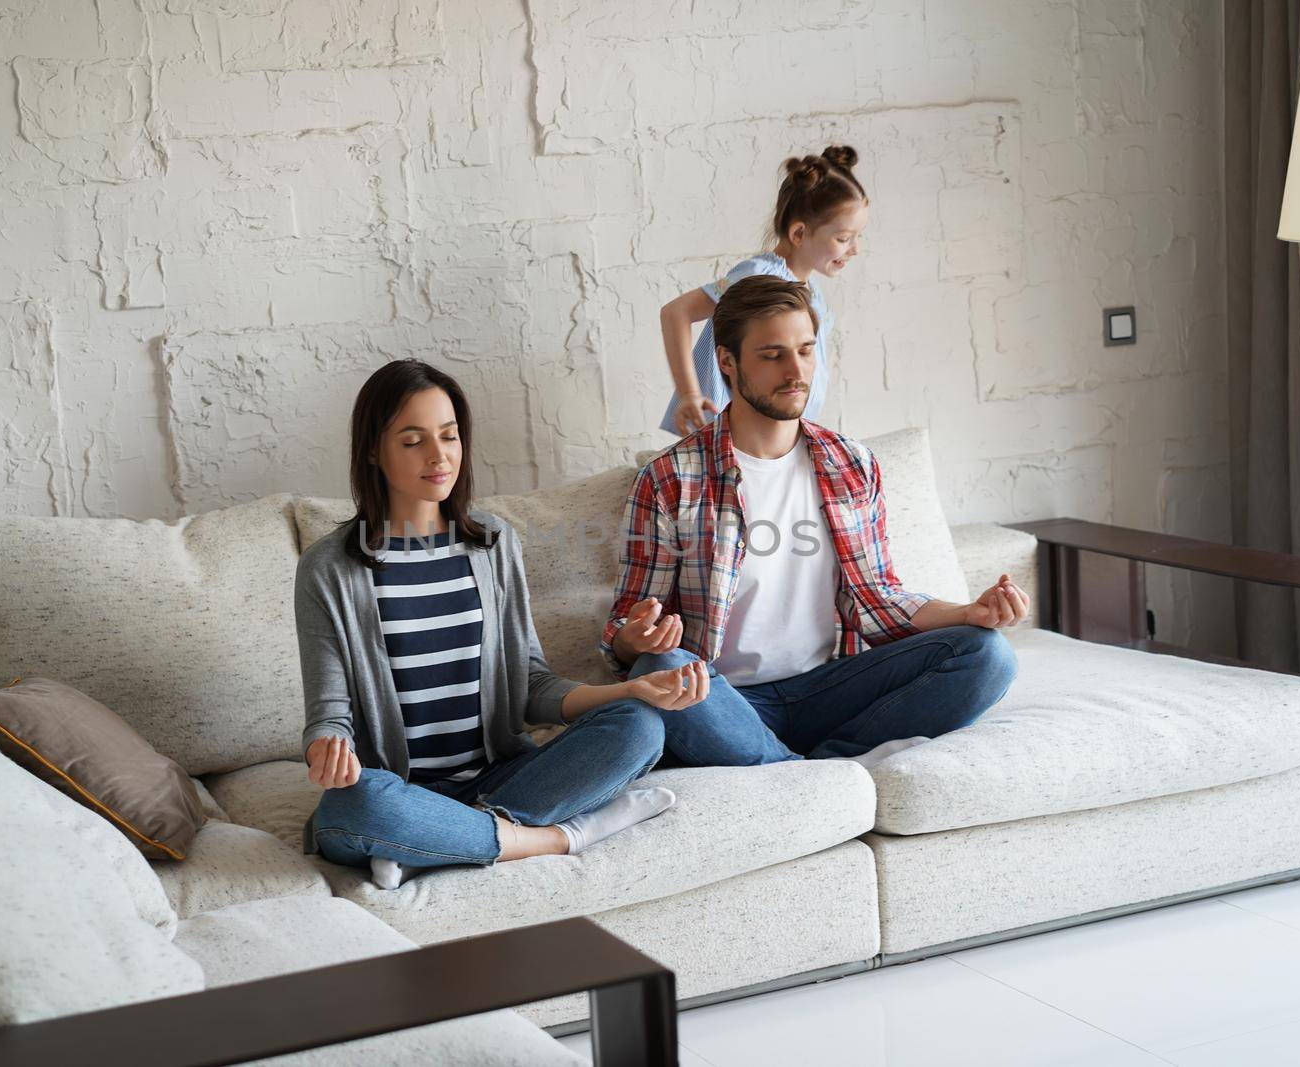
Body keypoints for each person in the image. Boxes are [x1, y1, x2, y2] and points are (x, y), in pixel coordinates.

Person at [297, 359, 704, 890]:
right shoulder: (330, 568)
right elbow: (328, 718)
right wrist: (329, 751)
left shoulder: (492, 544)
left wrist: (631, 689)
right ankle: (557, 837)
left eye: (449, 435)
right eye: (413, 440)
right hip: (400, 790)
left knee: (638, 726)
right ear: (373, 451)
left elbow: (530, 687)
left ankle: (440, 843)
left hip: (499, 778)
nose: (439, 455)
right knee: (356, 806)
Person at [606, 275, 1024, 769]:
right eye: (772, 355)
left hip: (830, 686)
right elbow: (625, 625)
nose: (796, 370)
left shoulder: (850, 463)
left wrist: (968, 614)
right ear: (727, 362)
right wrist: (636, 638)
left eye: (805, 350)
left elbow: (879, 596)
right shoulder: (670, 479)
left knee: (987, 655)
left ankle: (815, 765)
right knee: (663, 667)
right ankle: (804, 774)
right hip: (723, 699)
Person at [658, 144, 868, 437]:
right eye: (844, 238)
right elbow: (675, 312)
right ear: (798, 233)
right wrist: (689, 394)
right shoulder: (755, 275)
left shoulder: (812, 293)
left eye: (859, 236)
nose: (856, 249)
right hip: (731, 438)